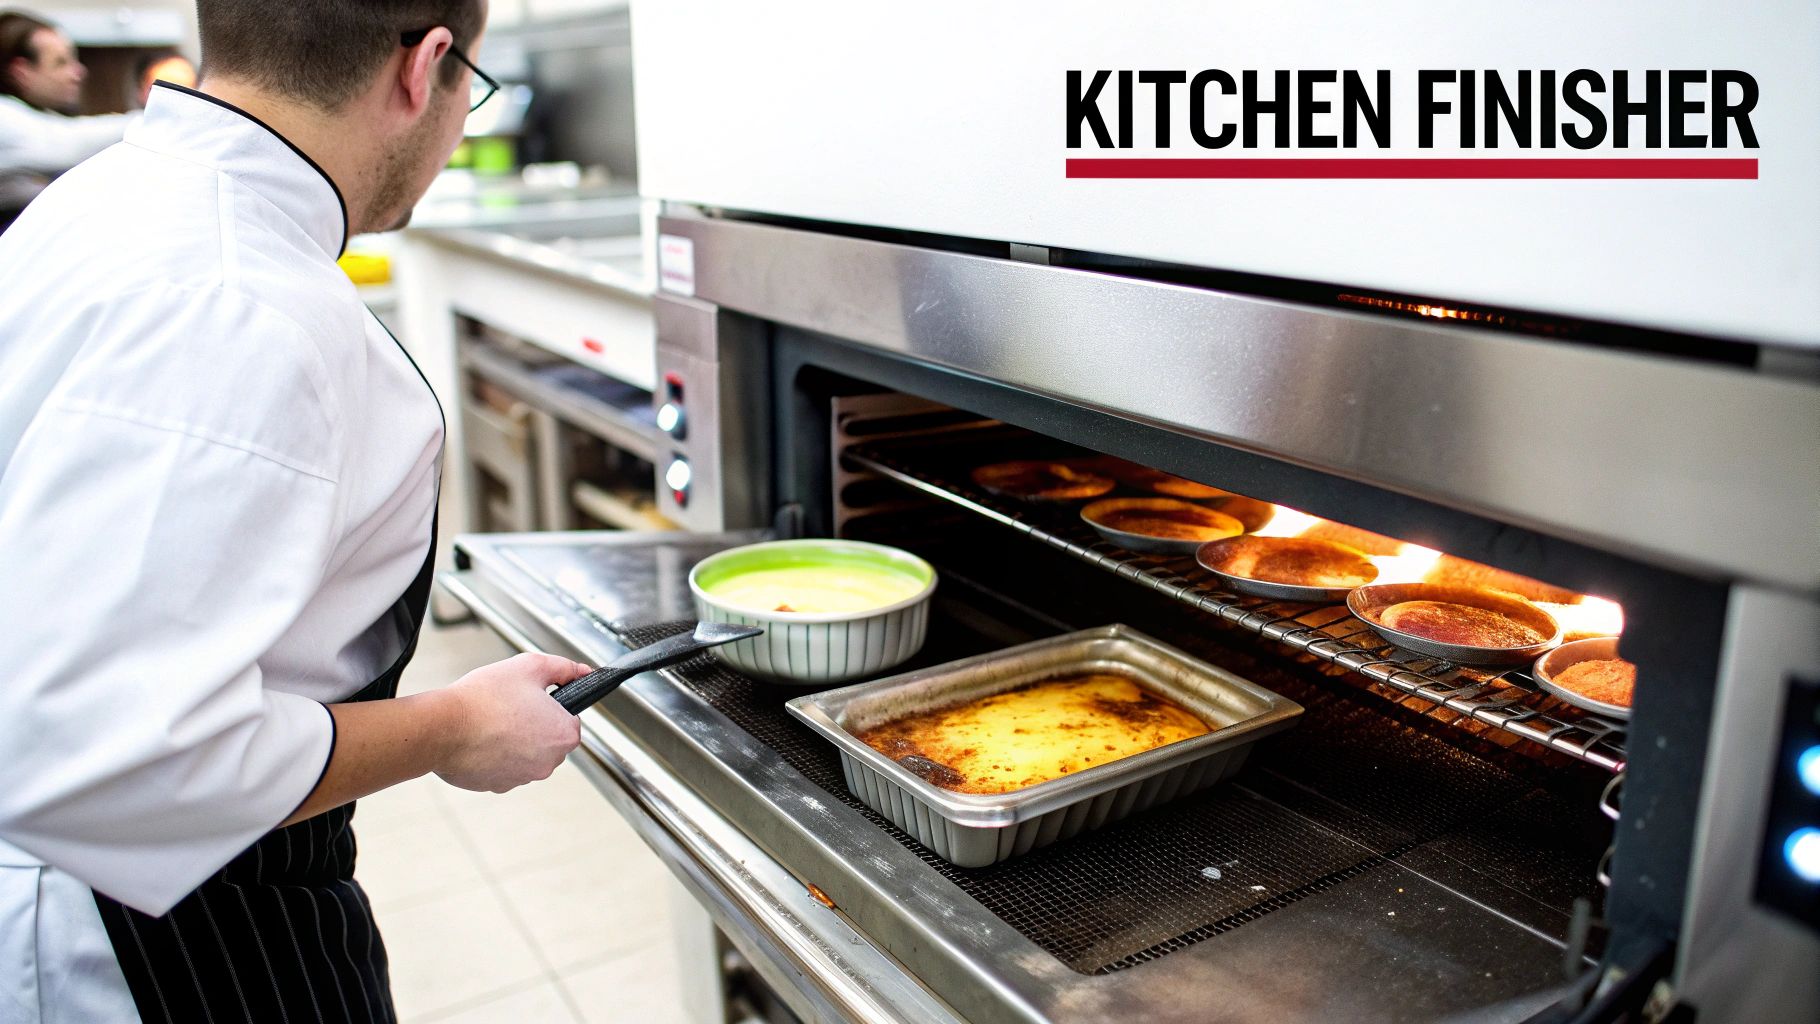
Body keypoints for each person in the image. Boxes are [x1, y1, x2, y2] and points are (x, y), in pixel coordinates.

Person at [0, 2, 587, 1022]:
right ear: (426, 66)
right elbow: (115, 757)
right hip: (156, 939)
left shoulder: (107, 195)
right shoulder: (238, 304)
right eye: (470, 90)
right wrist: (450, 725)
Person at [0, 10, 133, 227]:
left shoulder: (41, 115)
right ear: (21, 71)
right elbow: (65, 143)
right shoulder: (4, 119)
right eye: (60, 62)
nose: (78, 72)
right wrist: (154, 117)